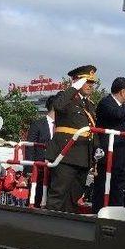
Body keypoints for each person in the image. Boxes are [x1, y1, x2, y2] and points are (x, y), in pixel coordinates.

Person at [45, 65, 99, 213]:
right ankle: (50, 224)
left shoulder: (89, 105)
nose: (89, 85)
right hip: (66, 155)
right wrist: (74, 87)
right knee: (58, 194)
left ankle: (66, 226)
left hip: (83, 156)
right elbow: (58, 106)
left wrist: (97, 148)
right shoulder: (66, 98)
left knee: (74, 196)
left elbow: (91, 129)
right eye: (86, 81)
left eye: (91, 82)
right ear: (76, 81)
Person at [92, 77, 125, 212]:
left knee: (118, 188)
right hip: (108, 153)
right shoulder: (106, 103)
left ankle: (115, 214)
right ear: (122, 91)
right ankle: (99, 213)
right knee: (103, 186)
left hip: (122, 155)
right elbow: (117, 114)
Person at [25, 95, 56, 207]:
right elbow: (29, 147)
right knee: (36, 196)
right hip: (39, 168)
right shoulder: (37, 124)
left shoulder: (61, 127)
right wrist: (28, 169)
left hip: (54, 168)